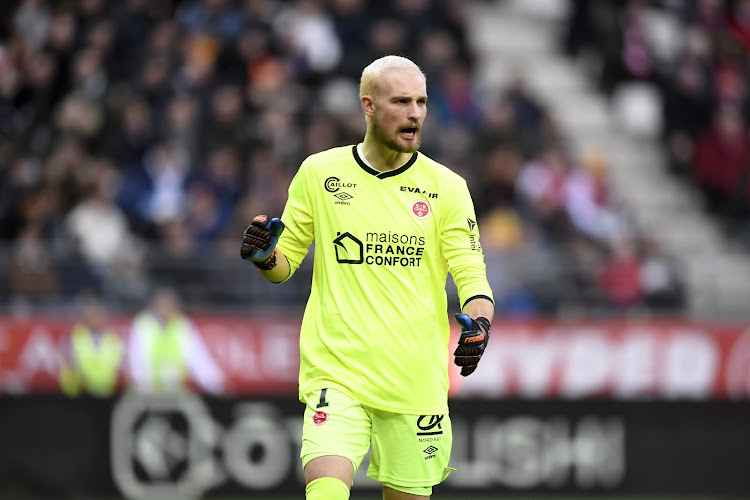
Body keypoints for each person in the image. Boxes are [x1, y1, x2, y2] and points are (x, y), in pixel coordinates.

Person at [240, 55, 494, 500]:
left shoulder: (447, 187)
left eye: (421, 102)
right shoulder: (321, 173)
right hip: (337, 374)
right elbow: (284, 267)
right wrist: (264, 255)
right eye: (401, 101)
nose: (415, 113)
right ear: (369, 106)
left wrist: (481, 325)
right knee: (326, 492)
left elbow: (471, 273)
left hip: (414, 382)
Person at [126, 286, 225, 394]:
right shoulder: (143, 324)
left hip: (177, 392)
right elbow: (137, 362)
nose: (170, 308)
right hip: (148, 391)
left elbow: (199, 359)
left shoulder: (182, 324)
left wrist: (216, 387)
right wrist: (146, 390)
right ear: (157, 305)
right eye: (166, 304)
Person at [60, 292, 125, 397]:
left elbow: (119, 367)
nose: (97, 318)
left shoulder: (113, 340)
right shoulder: (75, 337)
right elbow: (69, 366)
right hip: (81, 392)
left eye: (99, 314)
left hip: (107, 393)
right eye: (93, 314)